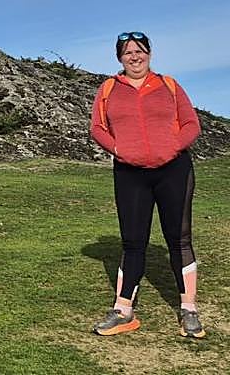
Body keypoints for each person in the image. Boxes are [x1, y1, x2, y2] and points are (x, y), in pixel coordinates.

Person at [89, 31, 204, 338]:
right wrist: (119, 150)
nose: (134, 57)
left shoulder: (168, 85)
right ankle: (124, 310)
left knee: (178, 238)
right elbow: (97, 128)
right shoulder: (109, 88)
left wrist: (171, 148)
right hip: (130, 173)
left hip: (173, 170)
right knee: (132, 241)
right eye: (128, 53)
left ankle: (189, 309)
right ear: (119, 58)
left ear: (150, 54)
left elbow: (192, 124)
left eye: (140, 51)